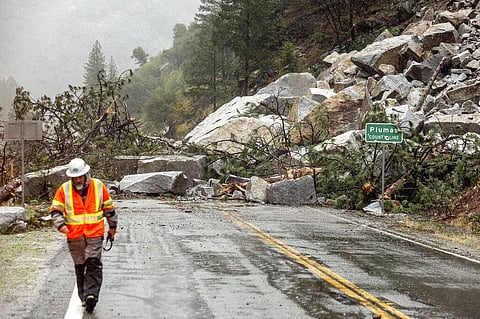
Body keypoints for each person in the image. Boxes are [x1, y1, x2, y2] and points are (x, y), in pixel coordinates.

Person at [50, 158, 117, 313]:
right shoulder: (64, 189)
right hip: (74, 237)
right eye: (75, 177)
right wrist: (60, 225)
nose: (78, 180)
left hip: (95, 234)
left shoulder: (99, 186)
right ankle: (84, 297)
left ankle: (91, 295)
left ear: (86, 174)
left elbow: (109, 208)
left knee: (93, 264)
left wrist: (112, 227)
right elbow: (55, 211)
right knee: (80, 267)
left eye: (80, 176)